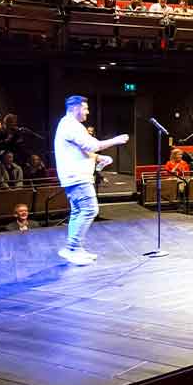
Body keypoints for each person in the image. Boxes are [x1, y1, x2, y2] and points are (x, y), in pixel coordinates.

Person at [53, 95, 129, 265]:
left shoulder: (70, 125)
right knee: (89, 210)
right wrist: (116, 140)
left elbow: (83, 150)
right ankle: (72, 248)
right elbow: (91, 145)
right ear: (76, 108)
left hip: (74, 176)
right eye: (85, 108)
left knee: (78, 212)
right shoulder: (71, 125)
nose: (87, 112)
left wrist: (99, 158)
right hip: (77, 177)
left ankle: (74, 248)